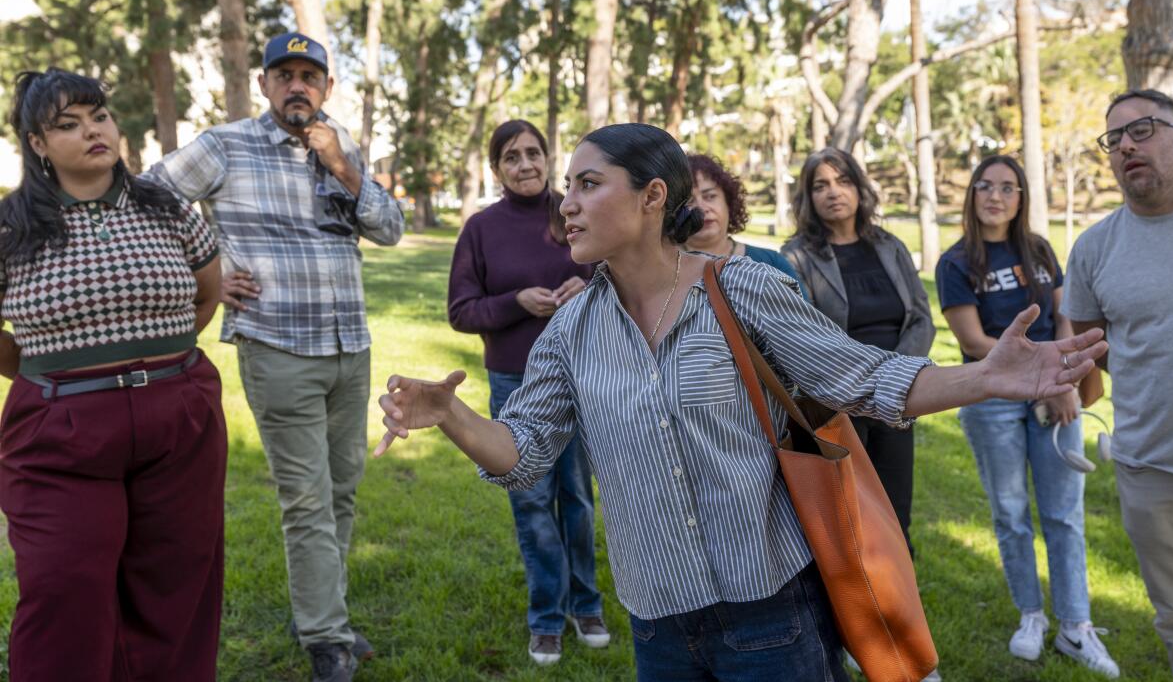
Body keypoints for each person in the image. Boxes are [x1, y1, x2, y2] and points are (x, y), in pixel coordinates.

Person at [374, 123, 1106, 682]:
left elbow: (863, 376)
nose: (565, 204)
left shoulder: (742, 287)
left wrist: (987, 375)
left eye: (588, 184)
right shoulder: (571, 328)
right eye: (567, 186)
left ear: (653, 197)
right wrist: (454, 417)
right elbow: (525, 450)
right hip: (658, 626)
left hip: (772, 613)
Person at [144, 32, 404, 682]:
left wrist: (347, 168)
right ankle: (326, 638)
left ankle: (320, 609)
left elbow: (391, 228)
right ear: (263, 84)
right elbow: (147, 199)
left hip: (349, 344)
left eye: (309, 76)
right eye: (283, 74)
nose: (297, 86)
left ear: (326, 88)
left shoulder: (342, 144)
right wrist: (209, 271)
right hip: (277, 343)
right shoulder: (226, 144)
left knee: (342, 489)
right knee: (308, 499)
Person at [0, 68, 225, 680]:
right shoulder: (10, 226)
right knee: (62, 587)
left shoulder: (168, 206)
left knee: (176, 583)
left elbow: (207, 295)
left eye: (98, 116)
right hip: (57, 429)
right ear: (38, 145)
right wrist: (55, 372)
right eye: (67, 125)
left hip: (180, 417)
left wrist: (159, 363)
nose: (91, 131)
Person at [935, 155, 1118, 678]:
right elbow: (972, 341)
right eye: (985, 187)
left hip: (1053, 389)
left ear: (1021, 198)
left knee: (1064, 512)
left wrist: (1059, 379)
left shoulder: (1037, 250)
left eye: (1008, 188)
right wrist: (1038, 377)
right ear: (971, 195)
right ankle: (1032, 616)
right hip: (992, 397)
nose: (996, 196)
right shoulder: (955, 263)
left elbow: (1065, 311)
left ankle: (1076, 627)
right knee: (1011, 513)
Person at [447, 119, 607, 665]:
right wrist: (517, 301)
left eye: (534, 153)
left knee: (578, 499)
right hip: (516, 382)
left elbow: (617, 277)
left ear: (548, 158)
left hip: (581, 374)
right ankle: (546, 616)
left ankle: (586, 604)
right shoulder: (481, 229)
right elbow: (461, 311)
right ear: (497, 169)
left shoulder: (575, 211)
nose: (525, 165)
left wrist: (586, 286)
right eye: (511, 157)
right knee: (533, 501)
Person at [1063, 89, 1173, 681]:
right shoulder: (1094, 249)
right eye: (1114, 139)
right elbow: (1098, 346)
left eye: (1141, 130)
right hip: (1153, 467)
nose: (1124, 146)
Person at [782, 148, 935, 557]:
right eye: (821, 185)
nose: (834, 192)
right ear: (808, 198)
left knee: (896, 507)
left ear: (859, 188)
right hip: (841, 396)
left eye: (843, 181)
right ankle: (858, 606)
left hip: (900, 392)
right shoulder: (797, 255)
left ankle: (901, 607)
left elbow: (921, 317)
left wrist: (901, 373)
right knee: (851, 515)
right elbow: (805, 334)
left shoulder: (890, 246)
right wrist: (865, 378)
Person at [685, 153, 807, 297]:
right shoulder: (662, 269)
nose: (701, 207)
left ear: (729, 202)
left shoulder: (771, 262)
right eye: (688, 201)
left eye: (710, 196)